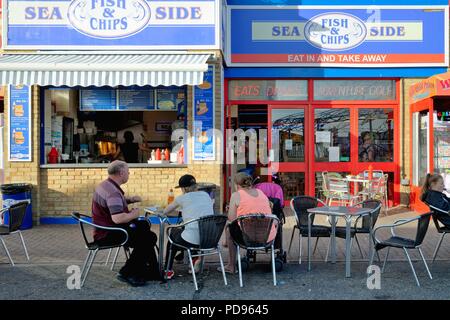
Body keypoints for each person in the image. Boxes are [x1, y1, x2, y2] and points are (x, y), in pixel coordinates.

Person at [92, 160, 160, 287]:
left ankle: (149, 271)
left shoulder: (106, 185)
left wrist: (129, 200)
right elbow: (118, 218)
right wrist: (134, 215)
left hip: (106, 229)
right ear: (121, 173)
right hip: (109, 233)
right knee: (148, 237)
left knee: (145, 230)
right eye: (128, 171)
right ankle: (128, 272)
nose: (129, 173)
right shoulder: (113, 192)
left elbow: (113, 205)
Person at [163, 174, 214, 280]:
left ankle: (168, 269)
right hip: (209, 239)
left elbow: (165, 211)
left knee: (173, 233)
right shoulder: (206, 195)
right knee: (189, 229)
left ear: (183, 188)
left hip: (191, 240)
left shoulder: (182, 198)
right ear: (195, 185)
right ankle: (194, 261)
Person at [223, 172, 274, 274]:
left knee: (229, 227)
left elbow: (231, 219)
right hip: (267, 237)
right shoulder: (261, 193)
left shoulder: (236, 195)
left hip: (247, 238)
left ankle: (231, 266)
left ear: (236, 185)